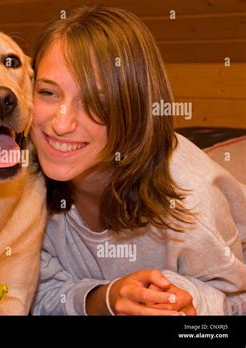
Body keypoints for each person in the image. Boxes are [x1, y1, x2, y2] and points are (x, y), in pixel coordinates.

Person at [30, 5, 246, 315]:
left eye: (96, 102)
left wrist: (184, 297)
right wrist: (108, 297)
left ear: (135, 109)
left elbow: (237, 301)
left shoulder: (189, 204)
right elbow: (38, 294)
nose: (61, 125)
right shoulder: (17, 184)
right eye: (48, 93)